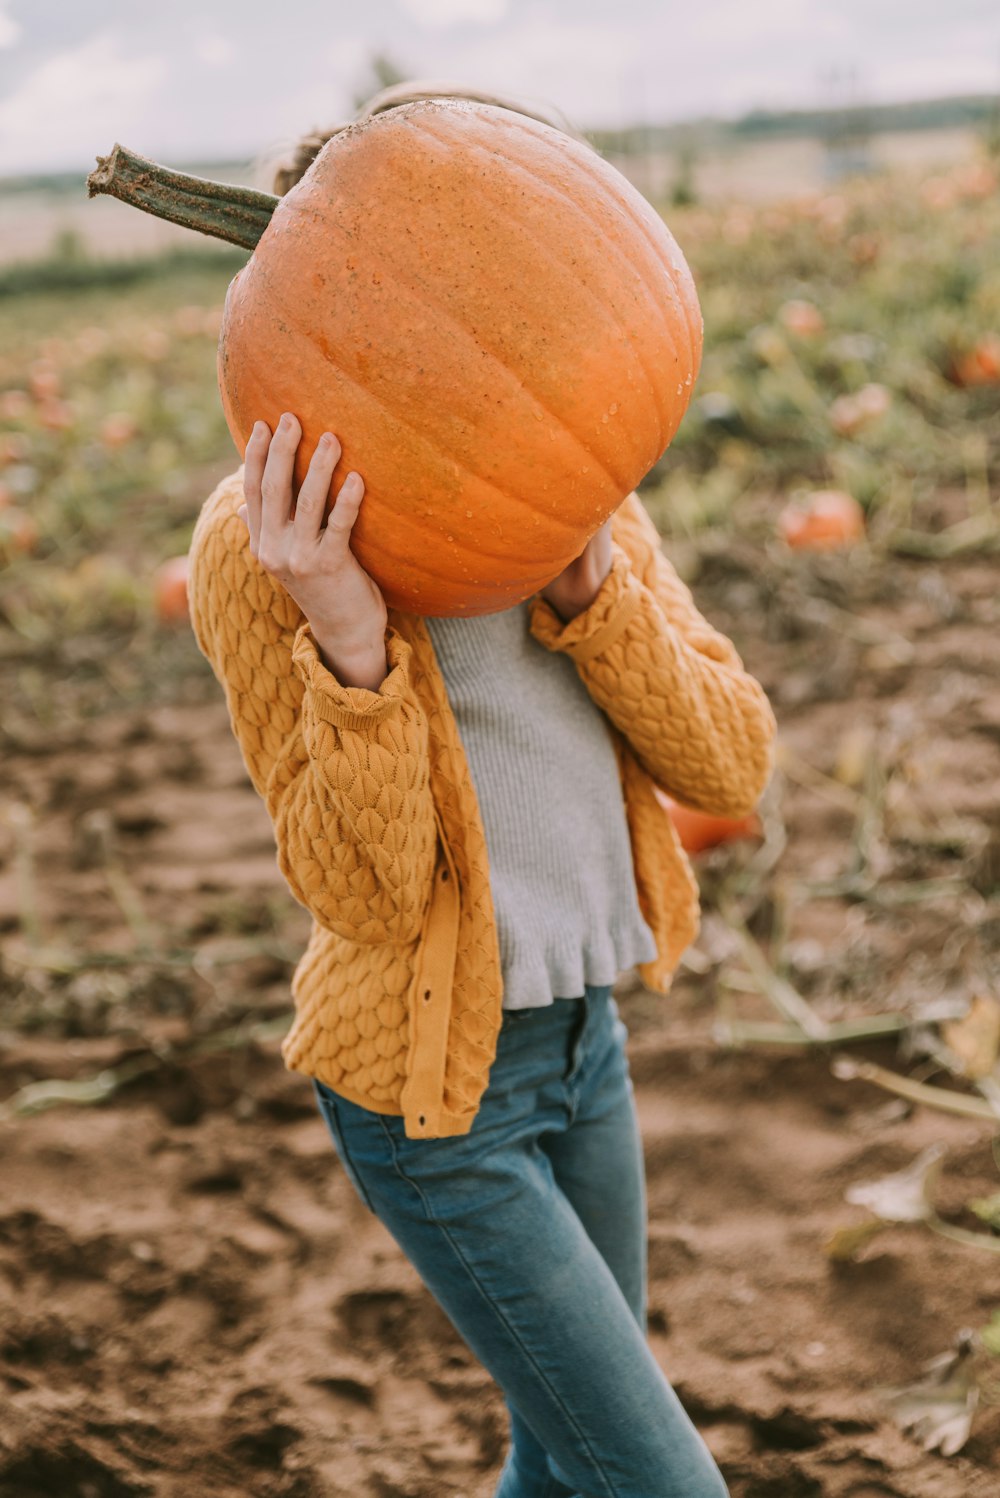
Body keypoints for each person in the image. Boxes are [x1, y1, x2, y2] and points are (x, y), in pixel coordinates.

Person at [188, 80, 777, 1498]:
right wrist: (346, 637)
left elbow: (730, 762)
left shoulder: (578, 485)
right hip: (431, 1100)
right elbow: (367, 892)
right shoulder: (258, 554)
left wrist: (597, 591)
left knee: (567, 1463)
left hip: (585, 1051)